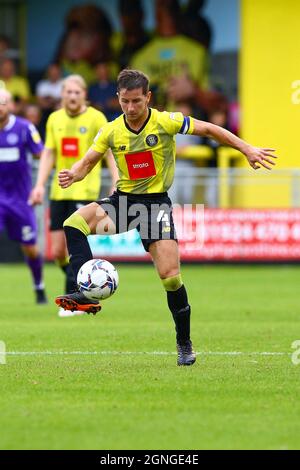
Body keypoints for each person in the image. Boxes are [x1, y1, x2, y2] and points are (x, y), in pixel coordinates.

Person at [54, 69, 277, 365]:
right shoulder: (110, 130)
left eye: (136, 101)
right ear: (117, 99)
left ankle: (184, 343)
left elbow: (209, 129)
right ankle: (87, 292)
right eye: (124, 102)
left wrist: (247, 148)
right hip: (124, 202)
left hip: (155, 207)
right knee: (74, 223)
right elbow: (88, 163)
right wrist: (74, 174)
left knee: (171, 279)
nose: (131, 109)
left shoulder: (165, 121)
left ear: (148, 97)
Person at [30, 75, 118, 317]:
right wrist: (39, 185)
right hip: (59, 190)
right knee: (57, 252)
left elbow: (108, 151)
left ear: (84, 94)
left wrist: (116, 180)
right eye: (67, 92)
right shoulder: (54, 119)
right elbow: (49, 152)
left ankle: (74, 297)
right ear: (62, 95)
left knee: (72, 244)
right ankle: (82, 283)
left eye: (76, 92)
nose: (71, 96)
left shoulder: (95, 118)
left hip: (84, 189)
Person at [0, 89, 47, 304]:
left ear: (10, 105)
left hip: (21, 199)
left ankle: (39, 287)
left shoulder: (24, 128)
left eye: (3, 102)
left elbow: (43, 153)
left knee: (29, 247)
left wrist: (39, 185)